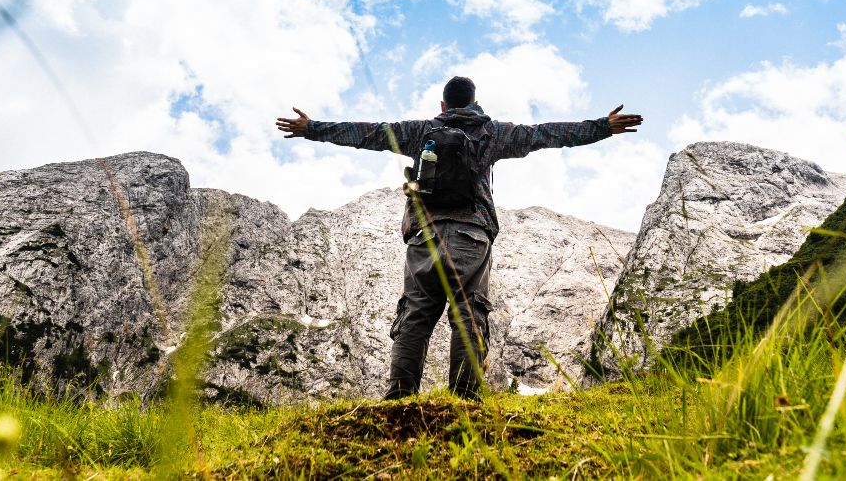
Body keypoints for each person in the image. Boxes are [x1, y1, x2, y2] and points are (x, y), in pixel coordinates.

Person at [274, 76, 642, 400]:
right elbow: (545, 134)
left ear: (443, 105)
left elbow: (369, 133)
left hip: (425, 234)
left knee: (415, 315)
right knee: (468, 314)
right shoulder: (494, 132)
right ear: (476, 102)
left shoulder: (419, 131)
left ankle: (400, 398)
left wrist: (313, 128)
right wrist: (602, 126)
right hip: (471, 234)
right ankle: (464, 399)